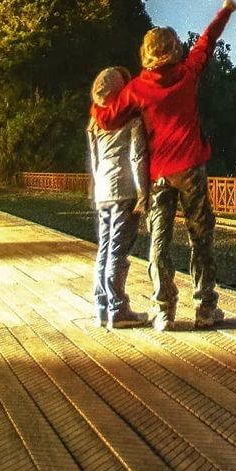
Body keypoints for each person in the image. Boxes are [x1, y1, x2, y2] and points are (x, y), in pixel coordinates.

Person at [124, 0, 236, 331]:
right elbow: (207, 41)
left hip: (158, 175)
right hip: (190, 169)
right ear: (175, 48)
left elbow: (114, 116)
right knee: (200, 236)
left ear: (145, 53)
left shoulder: (138, 89)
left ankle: (164, 309)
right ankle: (204, 307)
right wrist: (224, 11)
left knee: (158, 239)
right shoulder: (188, 74)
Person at [87, 66, 149, 328]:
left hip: (103, 189)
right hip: (124, 190)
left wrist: (94, 187)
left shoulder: (95, 121)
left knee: (104, 247)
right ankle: (118, 309)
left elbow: (95, 159)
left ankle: (102, 307)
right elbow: (137, 157)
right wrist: (143, 192)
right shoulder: (132, 120)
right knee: (118, 251)